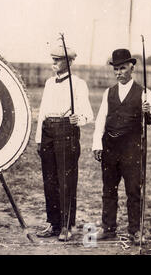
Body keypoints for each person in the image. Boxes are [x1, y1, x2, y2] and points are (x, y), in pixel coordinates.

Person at [92, 49, 151, 244]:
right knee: (108, 189)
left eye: (122, 68)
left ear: (132, 68)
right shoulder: (108, 92)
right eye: (115, 69)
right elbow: (100, 120)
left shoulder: (145, 93)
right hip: (110, 147)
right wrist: (97, 144)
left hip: (132, 148)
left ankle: (135, 231)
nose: (119, 73)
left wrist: (147, 112)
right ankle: (108, 228)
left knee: (133, 190)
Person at [35, 45, 94, 241]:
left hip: (66, 132)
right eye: (53, 59)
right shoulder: (49, 83)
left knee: (66, 181)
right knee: (49, 180)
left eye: (57, 60)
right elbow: (42, 111)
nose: (54, 63)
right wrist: (38, 138)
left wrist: (80, 119)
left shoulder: (78, 84)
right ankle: (53, 223)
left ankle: (67, 226)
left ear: (69, 62)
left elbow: (88, 114)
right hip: (47, 133)